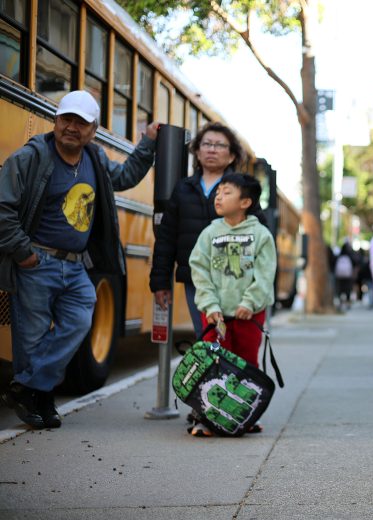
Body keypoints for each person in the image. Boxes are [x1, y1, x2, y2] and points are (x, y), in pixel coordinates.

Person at [0, 90, 160, 429]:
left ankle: (26, 388)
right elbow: (3, 208)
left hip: (75, 265)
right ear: (56, 121)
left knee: (79, 323)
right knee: (32, 338)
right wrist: (23, 253)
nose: (71, 127)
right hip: (37, 260)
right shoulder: (32, 157)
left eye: (81, 122)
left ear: (94, 128)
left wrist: (147, 144)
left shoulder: (95, 158)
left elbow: (126, 177)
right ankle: (41, 400)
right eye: (66, 119)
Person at [188, 173, 276, 437]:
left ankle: (244, 415)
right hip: (216, 315)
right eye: (218, 192)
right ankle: (207, 418)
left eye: (227, 192)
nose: (219, 196)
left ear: (245, 201)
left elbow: (265, 273)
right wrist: (209, 304)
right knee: (213, 365)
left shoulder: (260, 235)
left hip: (249, 315)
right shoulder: (210, 232)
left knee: (246, 364)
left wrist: (250, 302)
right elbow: (199, 269)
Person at [150, 122, 253, 340]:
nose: (212, 149)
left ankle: (229, 374)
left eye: (219, 145)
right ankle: (214, 375)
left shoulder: (243, 189)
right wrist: (160, 282)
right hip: (195, 279)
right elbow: (166, 238)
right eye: (206, 144)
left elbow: (258, 233)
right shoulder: (183, 189)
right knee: (206, 336)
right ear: (197, 152)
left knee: (232, 339)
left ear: (232, 156)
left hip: (234, 280)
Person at [334, 241, 356, 310]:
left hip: (340, 276)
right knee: (347, 290)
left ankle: (340, 303)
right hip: (347, 276)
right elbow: (355, 263)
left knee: (340, 290)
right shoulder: (350, 255)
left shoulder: (339, 255)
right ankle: (347, 303)